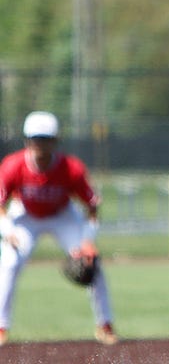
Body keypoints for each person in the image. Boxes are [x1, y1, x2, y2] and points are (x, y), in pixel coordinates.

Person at [0, 111, 118, 346]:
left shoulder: (71, 168)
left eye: (45, 139)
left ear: (55, 141)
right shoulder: (13, 165)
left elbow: (92, 208)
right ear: (26, 141)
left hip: (62, 215)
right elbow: (1, 204)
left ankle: (105, 325)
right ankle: (1, 327)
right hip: (25, 215)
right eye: (35, 139)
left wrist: (87, 241)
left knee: (91, 265)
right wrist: (7, 231)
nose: (39, 145)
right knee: (10, 262)